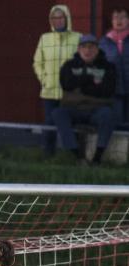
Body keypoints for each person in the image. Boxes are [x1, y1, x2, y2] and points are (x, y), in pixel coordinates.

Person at [52, 34, 117, 165]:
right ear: (79, 49)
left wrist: (81, 85)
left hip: (97, 110)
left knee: (108, 115)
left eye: (91, 47)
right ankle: (77, 156)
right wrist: (90, 79)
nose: (88, 51)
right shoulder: (69, 65)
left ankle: (97, 157)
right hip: (74, 108)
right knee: (58, 113)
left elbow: (107, 90)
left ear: (97, 49)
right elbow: (66, 84)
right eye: (84, 47)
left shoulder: (108, 67)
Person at [33, 5, 81, 155]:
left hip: (70, 92)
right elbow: (37, 63)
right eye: (54, 18)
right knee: (49, 123)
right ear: (51, 20)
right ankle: (48, 155)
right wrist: (44, 79)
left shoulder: (78, 37)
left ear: (66, 18)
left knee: (73, 123)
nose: (57, 21)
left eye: (61, 17)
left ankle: (75, 155)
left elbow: (82, 63)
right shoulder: (44, 38)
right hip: (49, 90)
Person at [100, 7, 129, 126]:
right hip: (113, 90)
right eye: (115, 17)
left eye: (122, 17)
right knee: (117, 124)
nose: (119, 20)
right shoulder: (104, 41)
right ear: (112, 21)